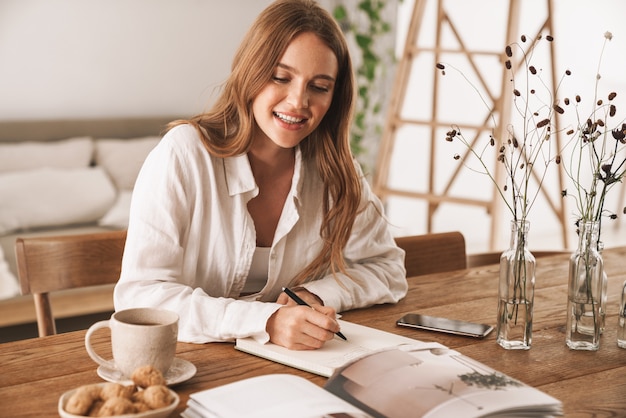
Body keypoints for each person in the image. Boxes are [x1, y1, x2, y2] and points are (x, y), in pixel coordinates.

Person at [113, 0, 407, 350]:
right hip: (191, 364)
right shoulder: (183, 153)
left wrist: (314, 292)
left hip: (294, 368)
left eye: (319, 86)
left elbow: (387, 269)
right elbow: (140, 297)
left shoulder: (337, 172)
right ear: (250, 72)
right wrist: (266, 321)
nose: (298, 101)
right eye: (281, 77)